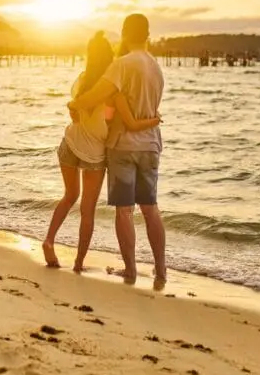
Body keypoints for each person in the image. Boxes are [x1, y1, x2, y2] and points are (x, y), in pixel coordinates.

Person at [43, 31, 161, 272]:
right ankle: (78, 263)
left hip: (69, 144)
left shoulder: (82, 79)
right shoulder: (113, 92)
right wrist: (153, 120)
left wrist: (73, 107)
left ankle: (49, 241)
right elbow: (122, 122)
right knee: (88, 211)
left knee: (69, 197)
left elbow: (76, 106)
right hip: (95, 154)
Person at [69, 14, 167, 290]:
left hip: (123, 146)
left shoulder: (122, 65)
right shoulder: (157, 68)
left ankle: (131, 271)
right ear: (148, 34)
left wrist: (74, 103)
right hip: (150, 145)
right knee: (151, 209)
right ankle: (161, 270)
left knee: (124, 211)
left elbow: (95, 96)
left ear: (124, 34)